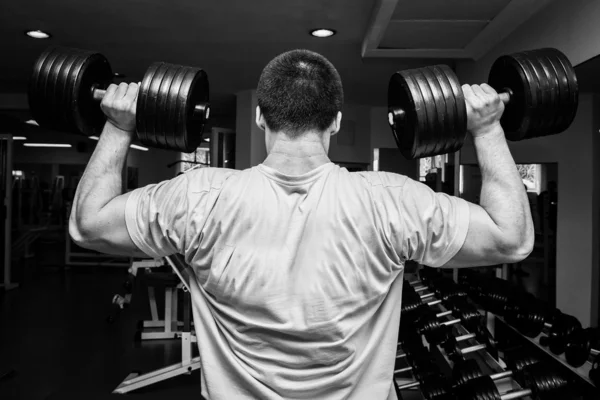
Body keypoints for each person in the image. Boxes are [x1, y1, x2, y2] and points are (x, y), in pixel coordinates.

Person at [69, 50, 534, 400]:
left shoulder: (198, 196)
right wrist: (488, 129)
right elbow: (511, 239)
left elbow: (88, 226)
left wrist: (117, 126)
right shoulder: (392, 200)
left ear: (259, 116)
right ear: (334, 122)